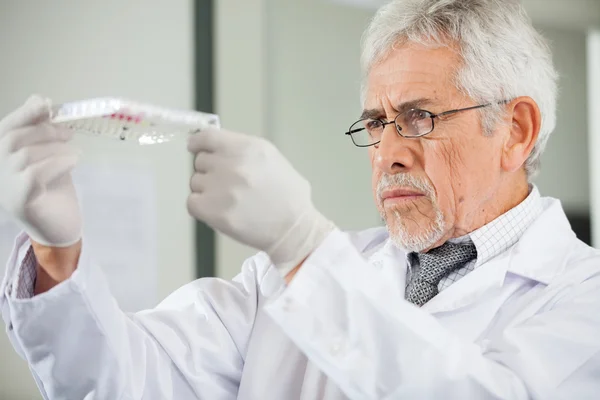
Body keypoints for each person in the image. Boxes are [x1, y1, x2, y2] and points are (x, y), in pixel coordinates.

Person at [1, 0, 599, 398]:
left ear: (515, 131)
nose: (387, 152)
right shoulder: (281, 283)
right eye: (375, 123)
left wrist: (304, 247)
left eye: (418, 118)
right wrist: (59, 251)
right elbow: (123, 380)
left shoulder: (584, 300)